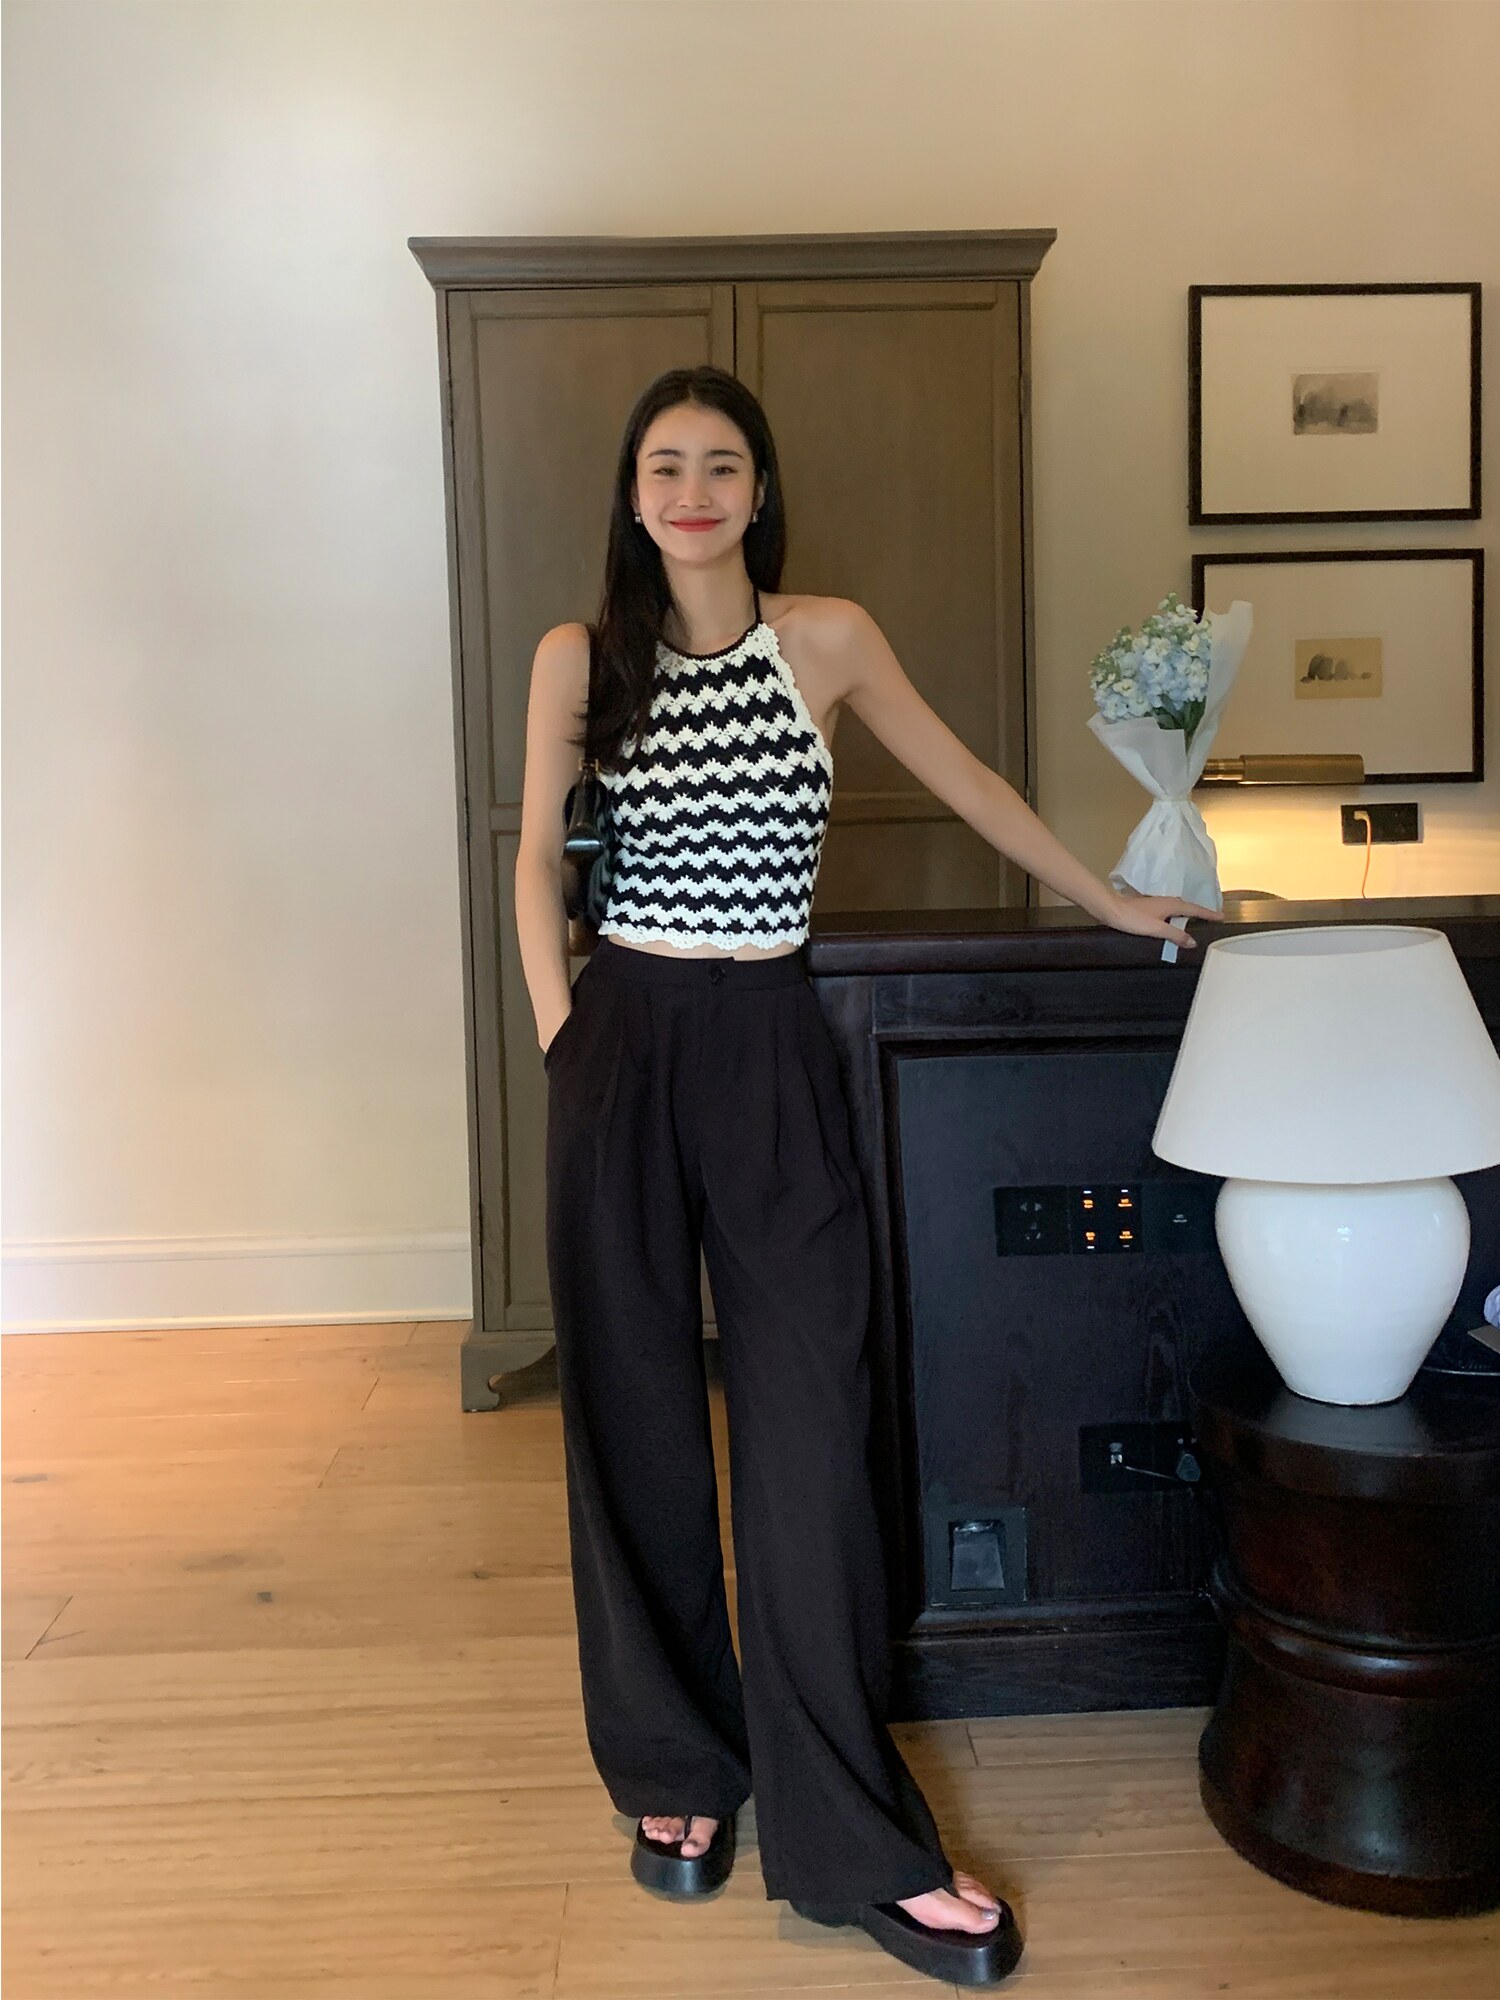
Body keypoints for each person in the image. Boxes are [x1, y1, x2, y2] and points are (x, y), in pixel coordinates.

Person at [515, 365, 1216, 1988]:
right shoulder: (580, 656)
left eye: (723, 464)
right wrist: (562, 1037)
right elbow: (535, 857)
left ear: (761, 492)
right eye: (666, 465)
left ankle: (848, 1837)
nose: (694, 490)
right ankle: (679, 1766)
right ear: (633, 493)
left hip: (770, 1035)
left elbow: (971, 783)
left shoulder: (822, 640)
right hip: (621, 1038)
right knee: (630, 1414)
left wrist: (1110, 900)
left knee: (811, 1437)